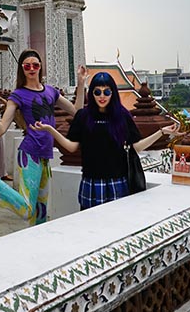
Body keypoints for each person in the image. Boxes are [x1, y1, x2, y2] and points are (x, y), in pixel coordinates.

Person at [0, 49, 87, 225]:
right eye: (27, 66)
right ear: (22, 69)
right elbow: (1, 128)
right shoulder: (18, 95)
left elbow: (76, 111)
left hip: (45, 156)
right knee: (26, 210)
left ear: (40, 67)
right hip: (29, 154)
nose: (32, 68)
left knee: (40, 214)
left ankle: (37, 247)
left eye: (35, 65)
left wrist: (80, 83)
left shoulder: (51, 91)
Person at [32, 72, 179, 210]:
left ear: (112, 93)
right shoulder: (83, 116)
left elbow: (136, 146)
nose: (102, 96)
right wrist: (51, 130)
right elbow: (71, 147)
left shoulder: (122, 115)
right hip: (91, 182)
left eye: (106, 92)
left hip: (118, 181)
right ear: (92, 93)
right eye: (97, 92)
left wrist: (161, 133)